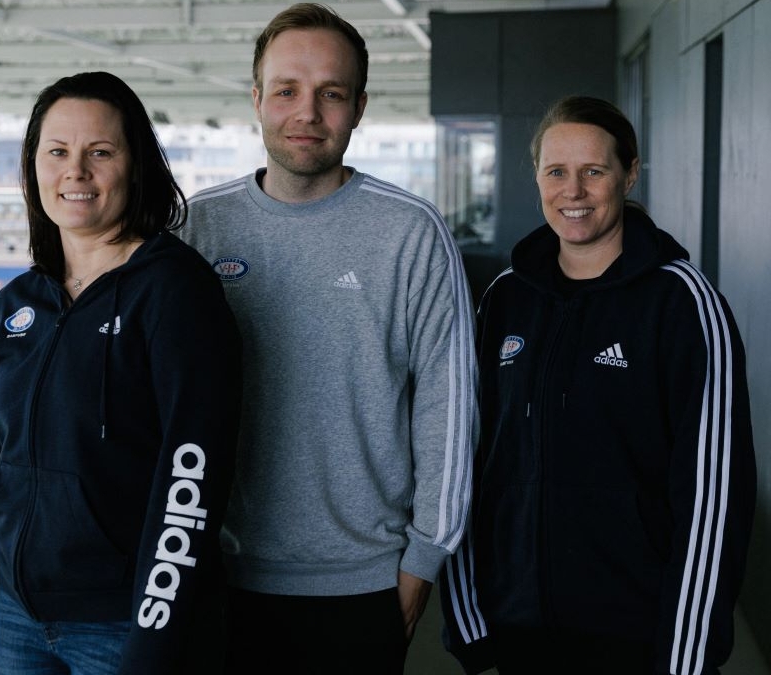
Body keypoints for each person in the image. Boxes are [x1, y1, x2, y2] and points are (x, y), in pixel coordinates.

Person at [178, 4, 478, 672]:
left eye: (331, 93)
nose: (306, 111)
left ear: (359, 107)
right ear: (256, 99)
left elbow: (448, 412)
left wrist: (422, 562)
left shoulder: (411, 234)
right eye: (286, 90)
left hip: (364, 587)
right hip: (217, 578)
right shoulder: (200, 228)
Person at [439, 96, 755, 675]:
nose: (573, 191)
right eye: (556, 171)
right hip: (518, 628)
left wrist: (687, 654)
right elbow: (471, 462)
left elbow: (715, 495)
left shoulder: (683, 304)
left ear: (629, 173)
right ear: (536, 176)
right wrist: (472, 620)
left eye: (594, 171)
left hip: (636, 637)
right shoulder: (506, 299)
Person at [0, 71, 242, 675]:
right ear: (34, 166)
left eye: (99, 152)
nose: (75, 172)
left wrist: (152, 636)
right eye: (57, 152)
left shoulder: (175, 291)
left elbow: (191, 481)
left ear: (135, 166)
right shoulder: (17, 304)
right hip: (15, 618)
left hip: (123, 627)